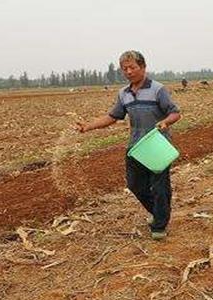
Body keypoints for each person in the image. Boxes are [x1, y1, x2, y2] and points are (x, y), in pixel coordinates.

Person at [76, 50, 181, 240]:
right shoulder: (123, 94)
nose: (129, 71)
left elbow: (175, 113)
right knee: (135, 185)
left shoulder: (158, 89)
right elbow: (112, 117)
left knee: (159, 187)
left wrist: (166, 122)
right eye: (125, 68)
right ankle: (160, 213)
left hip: (157, 145)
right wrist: (88, 126)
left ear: (143, 67)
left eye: (133, 67)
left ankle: (159, 225)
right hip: (135, 146)